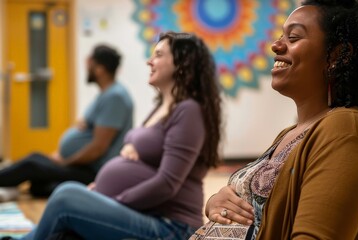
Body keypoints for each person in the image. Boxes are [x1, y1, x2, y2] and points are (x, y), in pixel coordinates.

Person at [190, 0, 358, 239]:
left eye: (293, 37)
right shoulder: (291, 133)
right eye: (280, 36)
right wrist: (216, 203)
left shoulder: (347, 130)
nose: (276, 45)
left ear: (338, 55)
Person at [16, 31, 222, 240]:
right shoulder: (162, 107)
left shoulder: (189, 111)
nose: (149, 61)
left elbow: (168, 183)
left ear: (182, 63)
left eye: (158, 55)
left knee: (65, 196)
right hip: (143, 213)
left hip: (170, 226)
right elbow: (152, 155)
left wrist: (112, 199)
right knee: (64, 233)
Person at [0, 45, 134, 201]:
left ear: (100, 69)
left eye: (89, 64)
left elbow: (98, 148)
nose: (87, 68)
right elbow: (87, 130)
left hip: (94, 171)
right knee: (38, 174)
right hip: (82, 165)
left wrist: (65, 162)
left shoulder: (114, 97)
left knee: (32, 165)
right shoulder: (106, 95)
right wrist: (60, 155)